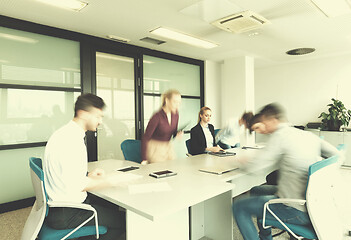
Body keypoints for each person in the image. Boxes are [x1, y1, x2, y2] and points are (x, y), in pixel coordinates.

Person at [233, 103, 340, 240]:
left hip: (295, 208)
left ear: (273, 120)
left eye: (264, 123)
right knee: (256, 190)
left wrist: (239, 161)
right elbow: (336, 155)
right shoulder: (307, 135)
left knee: (239, 206)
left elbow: (255, 167)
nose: (263, 129)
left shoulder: (279, 136)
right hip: (314, 203)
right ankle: (265, 236)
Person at [43, 93, 125, 240]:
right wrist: (112, 180)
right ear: (83, 114)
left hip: (57, 207)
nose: (100, 121)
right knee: (124, 221)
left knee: (109, 205)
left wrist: (88, 175)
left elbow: (67, 175)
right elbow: (78, 185)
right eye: (97, 116)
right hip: (69, 213)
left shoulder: (63, 133)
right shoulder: (72, 141)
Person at [141, 89, 183, 164]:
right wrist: (144, 159)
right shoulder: (157, 116)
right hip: (155, 148)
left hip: (168, 147)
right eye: (175, 102)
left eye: (179, 102)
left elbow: (173, 132)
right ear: (167, 101)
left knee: (174, 168)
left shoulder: (176, 114)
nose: (178, 105)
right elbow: (145, 137)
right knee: (160, 171)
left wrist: (177, 134)